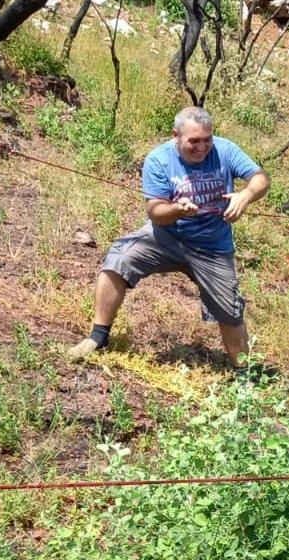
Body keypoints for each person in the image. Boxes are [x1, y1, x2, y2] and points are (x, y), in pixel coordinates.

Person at [66, 106, 269, 368]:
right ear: (176, 136)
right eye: (193, 141)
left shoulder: (225, 150)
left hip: (213, 246)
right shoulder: (159, 159)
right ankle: (98, 337)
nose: (202, 147)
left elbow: (261, 178)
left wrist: (246, 195)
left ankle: (246, 376)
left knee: (230, 311)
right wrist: (177, 209)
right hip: (165, 236)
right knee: (119, 259)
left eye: (207, 139)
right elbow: (156, 212)